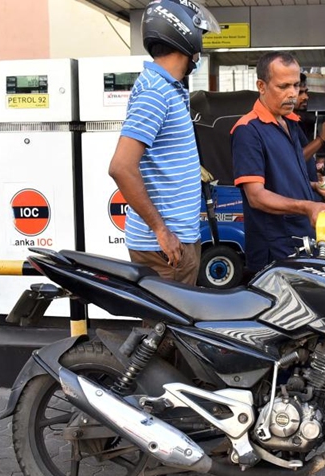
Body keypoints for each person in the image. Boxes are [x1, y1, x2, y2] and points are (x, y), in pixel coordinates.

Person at [108, 0, 219, 285]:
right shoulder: (155, 92)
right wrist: (162, 231)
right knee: (168, 330)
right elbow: (121, 167)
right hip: (166, 248)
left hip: (176, 240)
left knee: (174, 327)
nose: (200, 49)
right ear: (186, 37)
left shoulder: (168, 88)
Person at [232, 51, 325, 272]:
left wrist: (317, 189)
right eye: (283, 87)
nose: (292, 94)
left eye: (296, 85)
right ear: (261, 86)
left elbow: (286, 177)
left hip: (302, 241)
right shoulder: (247, 130)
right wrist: (308, 206)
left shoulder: (290, 123)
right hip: (274, 251)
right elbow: (256, 197)